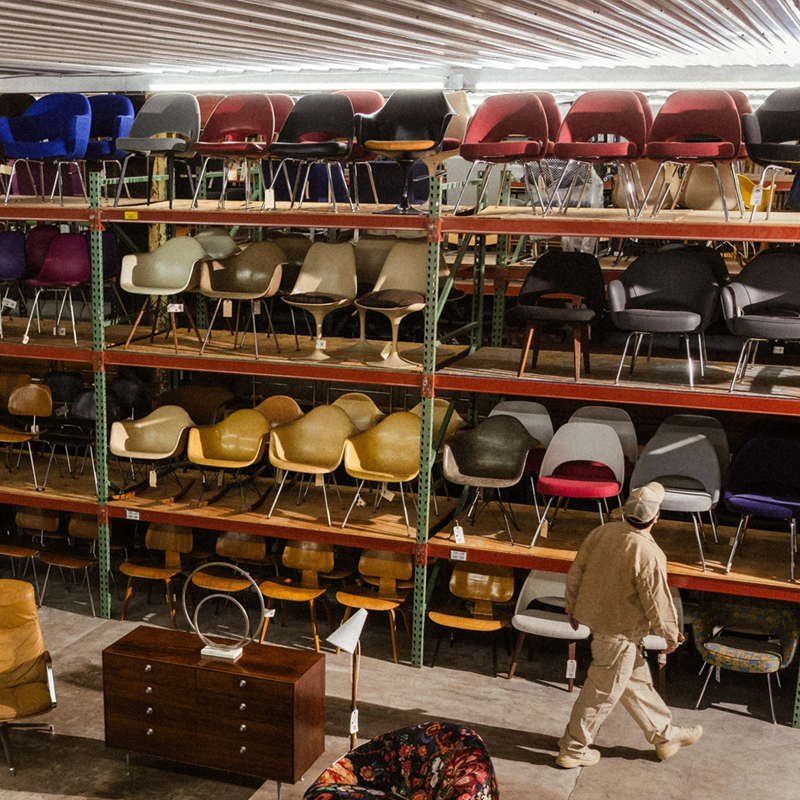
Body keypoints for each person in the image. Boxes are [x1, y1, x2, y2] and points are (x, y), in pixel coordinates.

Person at [555, 482, 703, 768]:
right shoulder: (648, 552)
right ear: (656, 516)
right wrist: (671, 635)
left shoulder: (602, 532)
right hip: (621, 635)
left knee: (636, 683)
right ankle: (573, 749)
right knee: (599, 696)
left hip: (603, 629)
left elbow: (577, 572)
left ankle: (665, 736)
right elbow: (657, 600)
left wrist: (572, 607)